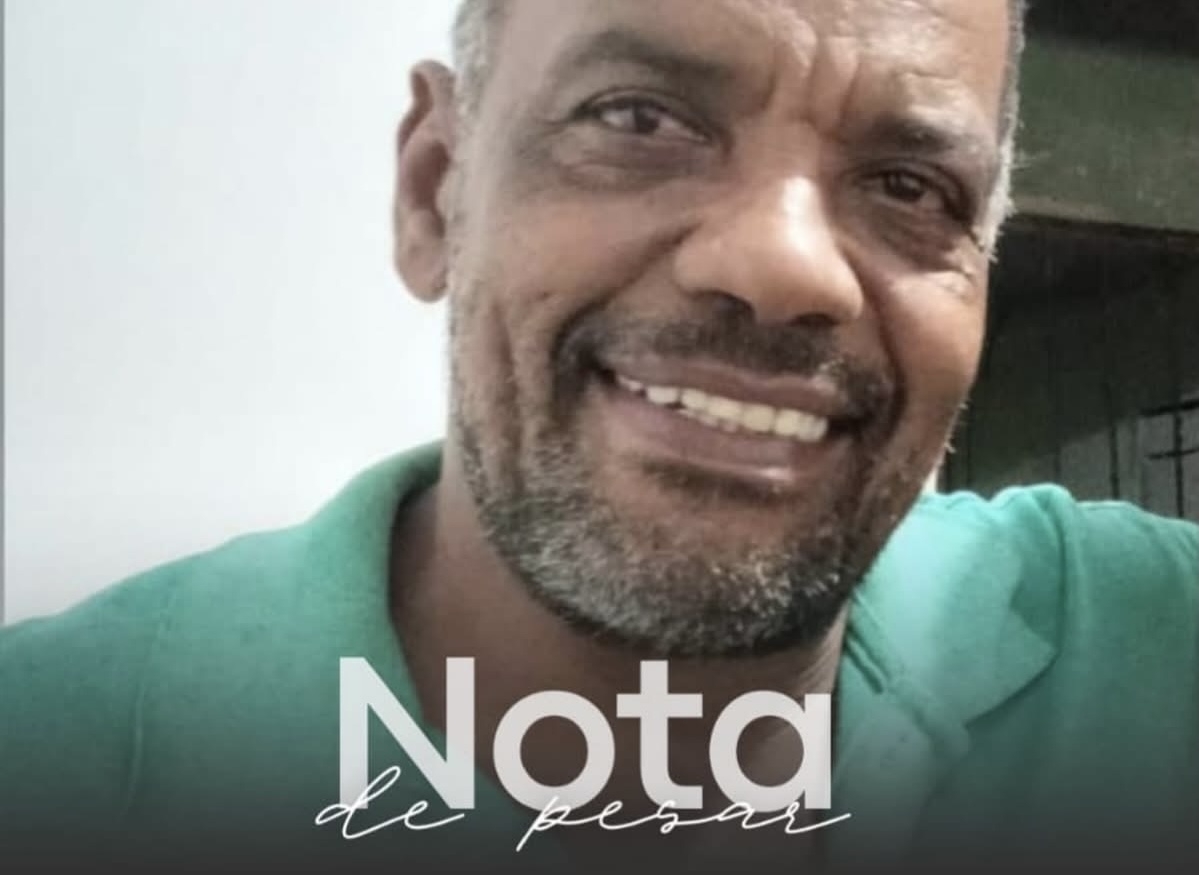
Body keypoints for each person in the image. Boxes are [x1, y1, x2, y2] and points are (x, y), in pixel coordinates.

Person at [2, 0, 1196, 872]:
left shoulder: (1143, 645)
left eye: (907, 187)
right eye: (638, 118)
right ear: (433, 191)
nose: (781, 263)